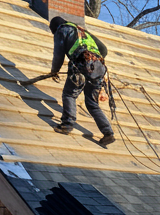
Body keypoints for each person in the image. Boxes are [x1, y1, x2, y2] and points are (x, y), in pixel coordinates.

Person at [47, 17, 115, 145]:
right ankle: (108, 133)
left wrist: (54, 71)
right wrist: (93, 62)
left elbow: (58, 55)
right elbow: (103, 49)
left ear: (55, 28)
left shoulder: (61, 30)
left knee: (69, 94)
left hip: (81, 65)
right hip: (99, 69)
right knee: (92, 104)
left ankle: (67, 124)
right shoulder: (82, 31)